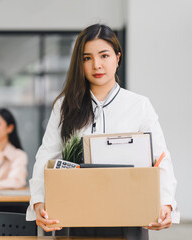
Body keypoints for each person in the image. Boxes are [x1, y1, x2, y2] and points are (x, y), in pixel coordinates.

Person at [26, 24, 179, 239]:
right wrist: (39, 201)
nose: (96, 65)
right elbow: (47, 155)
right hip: (74, 216)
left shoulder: (139, 105)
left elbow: (161, 159)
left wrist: (166, 204)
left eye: (104, 55)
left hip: (130, 215)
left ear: (118, 57)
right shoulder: (64, 106)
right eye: (87, 58)